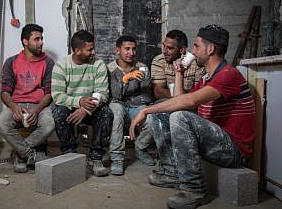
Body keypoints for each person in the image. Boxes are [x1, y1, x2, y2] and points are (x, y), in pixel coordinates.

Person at [129, 24, 255, 208]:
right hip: (215, 144)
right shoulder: (207, 78)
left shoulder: (229, 75)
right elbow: (179, 101)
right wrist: (178, 73)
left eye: (196, 46)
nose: (191, 51)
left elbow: (188, 102)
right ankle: (172, 173)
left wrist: (145, 110)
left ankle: (194, 190)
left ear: (210, 49)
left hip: (232, 151)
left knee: (179, 117)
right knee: (162, 115)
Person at [134, 29, 204, 166]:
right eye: (164, 46)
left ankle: (179, 155)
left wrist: (183, 97)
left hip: (191, 104)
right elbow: (159, 92)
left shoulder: (195, 63)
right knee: (158, 113)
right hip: (166, 100)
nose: (165, 51)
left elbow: (199, 92)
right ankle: (141, 146)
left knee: (182, 115)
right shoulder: (159, 60)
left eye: (170, 48)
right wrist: (182, 96)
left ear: (182, 49)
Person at [51, 30, 112, 177]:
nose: (94, 52)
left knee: (106, 112)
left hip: (91, 108)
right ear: (77, 51)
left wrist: (85, 110)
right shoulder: (61, 66)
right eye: (89, 49)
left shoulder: (98, 64)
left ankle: (96, 157)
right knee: (59, 112)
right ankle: (70, 156)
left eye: (93, 48)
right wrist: (79, 102)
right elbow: (57, 96)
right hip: (70, 108)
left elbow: (103, 94)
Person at [0, 24, 55, 173]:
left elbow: (49, 92)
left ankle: (20, 154)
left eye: (42, 38)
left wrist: (37, 110)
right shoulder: (11, 62)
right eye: (36, 39)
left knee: (48, 125)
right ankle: (30, 154)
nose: (41, 42)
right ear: (25, 41)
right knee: (2, 123)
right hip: (17, 104)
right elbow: (5, 92)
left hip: (40, 105)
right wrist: (14, 107)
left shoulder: (48, 62)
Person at [107, 35, 155, 175]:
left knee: (151, 117)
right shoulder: (110, 69)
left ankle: (140, 148)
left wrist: (133, 100)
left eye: (133, 49)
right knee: (116, 112)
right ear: (118, 50)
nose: (131, 53)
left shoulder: (142, 68)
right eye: (127, 49)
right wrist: (127, 79)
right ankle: (117, 157)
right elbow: (115, 95)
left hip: (136, 107)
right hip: (117, 104)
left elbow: (147, 95)